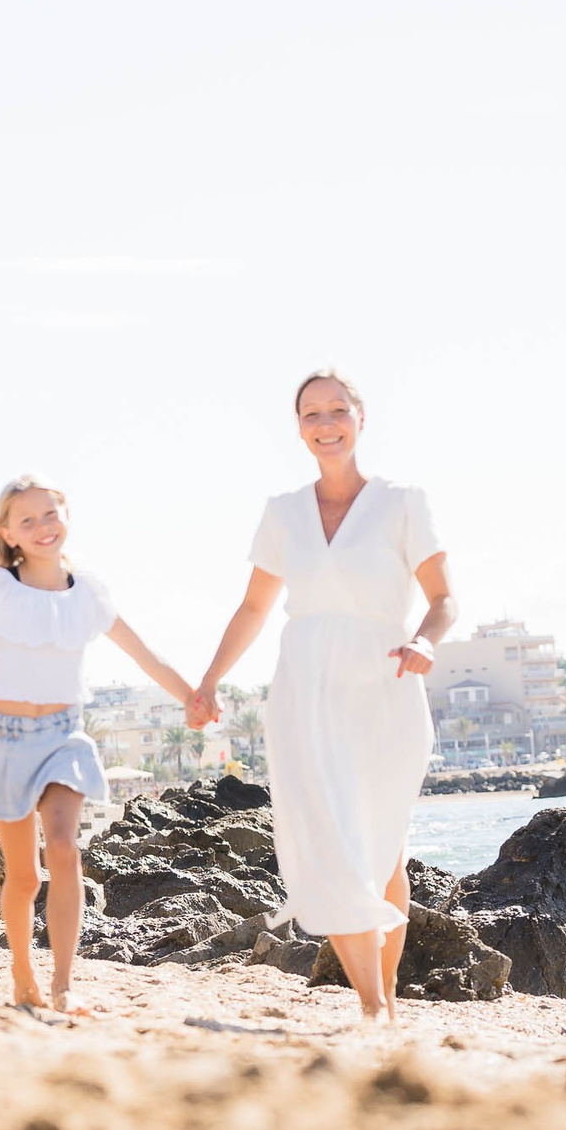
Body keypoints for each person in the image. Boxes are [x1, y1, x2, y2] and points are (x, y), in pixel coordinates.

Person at [192, 372, 455, 1024]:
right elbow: (255, 606)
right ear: (299, 426)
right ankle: (372, 1004)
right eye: (313, 413)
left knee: (384, 850)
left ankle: (387, 996)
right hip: (306, 692)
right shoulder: (283, 512)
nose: (327, 422)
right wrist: (209, 678)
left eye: (339, 409)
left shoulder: (402, 502)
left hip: (387, 688)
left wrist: (426, 640)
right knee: (330, 847)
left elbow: (444, 597)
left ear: (360, 417)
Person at [0, 475, 202, 1014]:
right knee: (24, 874)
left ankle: (63, 984)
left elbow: (142, 654)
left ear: (66, 516)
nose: (41, 527)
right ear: (7, 532)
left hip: (63, 736)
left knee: (64, 848)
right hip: (5, 737)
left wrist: (192, 695)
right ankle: (22, 972)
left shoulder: (89, 593)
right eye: (26, 520)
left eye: (49, 515)